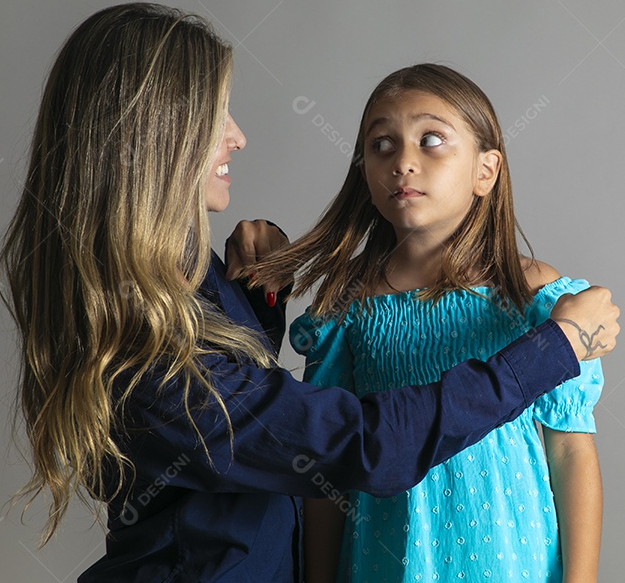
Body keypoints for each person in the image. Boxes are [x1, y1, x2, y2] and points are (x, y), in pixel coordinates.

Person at [0, 3, 619, 583]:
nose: (237, 137)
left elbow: (249, 421)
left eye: (431, 141)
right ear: (155, 139)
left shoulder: (183, 283)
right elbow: (361, 447)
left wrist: (254, 307)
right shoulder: (142, 343)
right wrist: (555, 347)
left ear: (488, 168)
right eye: (217, 118)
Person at [247, 64, 605, 582]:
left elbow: (572, 449)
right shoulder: (347, 309)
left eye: (431, 139)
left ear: (486, 171)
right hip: (384, 564)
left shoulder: (533, 297)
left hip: (513, 563)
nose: (403, 163)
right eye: (382, 145)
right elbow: (328, 469)